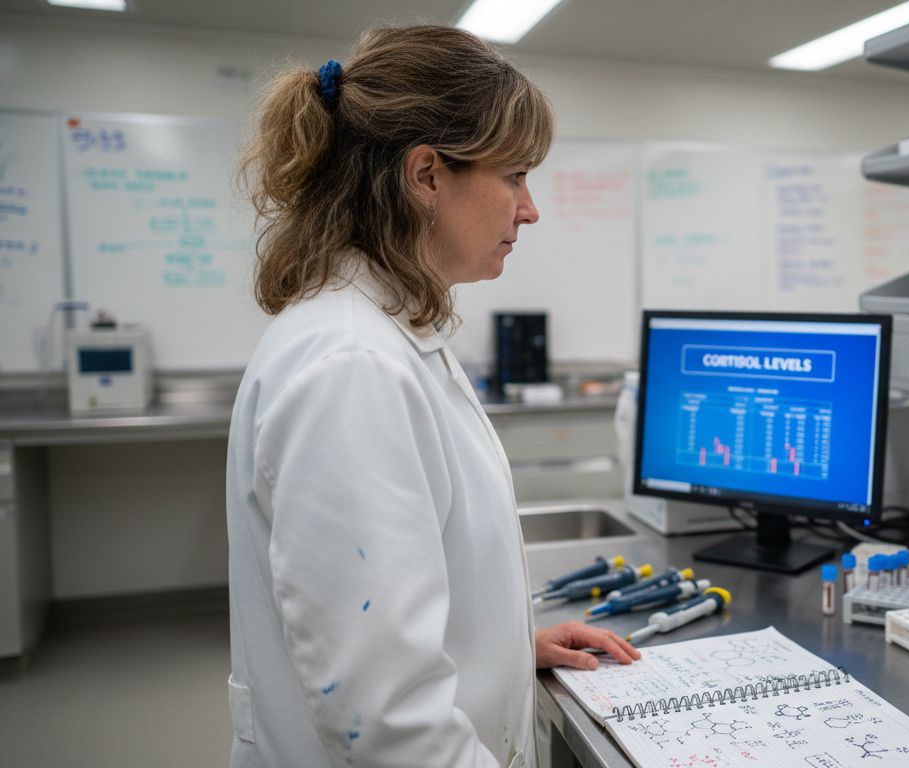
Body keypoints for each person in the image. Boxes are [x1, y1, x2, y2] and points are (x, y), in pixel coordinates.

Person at [227, 25, 639, 768]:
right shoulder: (350, 366)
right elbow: (389, 724)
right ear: (426, 176)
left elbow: (388, 609)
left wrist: (511, 652)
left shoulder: (390, 330)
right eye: (514, 175)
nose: (529, 208)